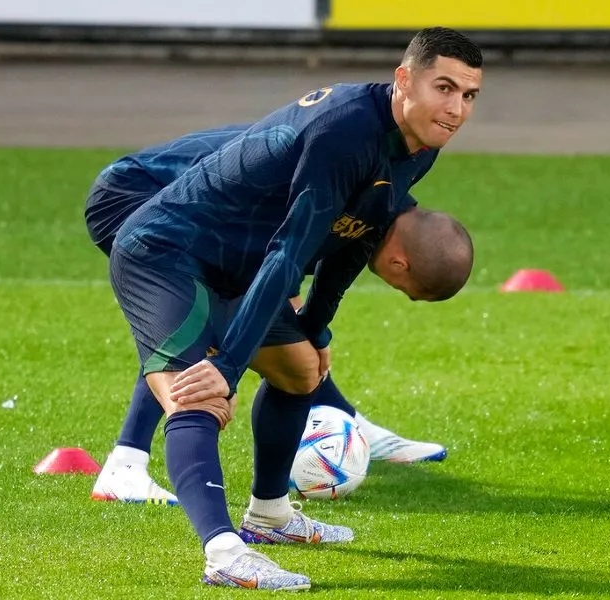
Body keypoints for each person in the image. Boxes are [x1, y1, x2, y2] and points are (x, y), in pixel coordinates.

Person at [105, 26, 482, 590]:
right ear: (405, 80)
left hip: (235, 267)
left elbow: (354, 237)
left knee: (302, 370)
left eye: (469, 96)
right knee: (198, 397)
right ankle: (223, 552)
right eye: (444, 88)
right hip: (169, 252)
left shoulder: (418, 146)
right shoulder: (346, 129)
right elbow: (289, 251)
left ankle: (270, 515)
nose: (455, 109)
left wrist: (317, 328)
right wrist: (228, 368)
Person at [86, 123, 450, 507]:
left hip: (189, 212)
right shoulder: (353, 186)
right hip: (134, 195)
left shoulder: (369, 192)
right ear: (402, 261)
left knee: (253, 329)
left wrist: (308, 329)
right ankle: (125, 464)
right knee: (197, 316)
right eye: (404, 287)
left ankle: (341, 420)